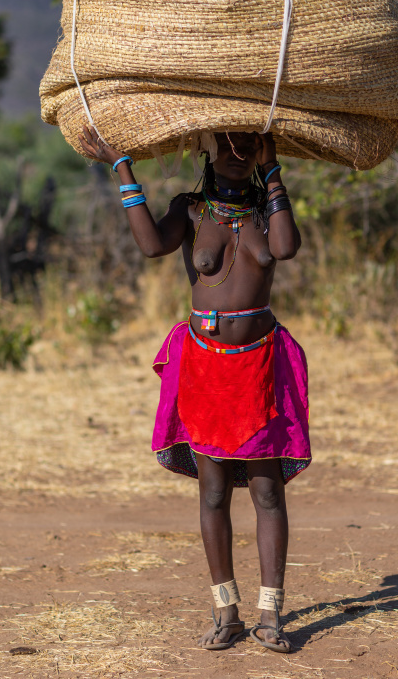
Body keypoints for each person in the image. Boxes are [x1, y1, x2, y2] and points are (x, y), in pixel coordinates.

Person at [79, 126, 311, 653]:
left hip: (258, 370)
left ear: (261, 152)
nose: (236, 153)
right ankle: (226, 612)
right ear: (206, 147)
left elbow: (286, 247)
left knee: (267, 492)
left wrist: (273, 172)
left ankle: (270, 614)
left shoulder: (266, 213)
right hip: (206, 370)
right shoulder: (190, 211)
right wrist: (122, 166)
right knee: (211, 493)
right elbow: (150, 245)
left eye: (248, 145)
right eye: (225, 142)